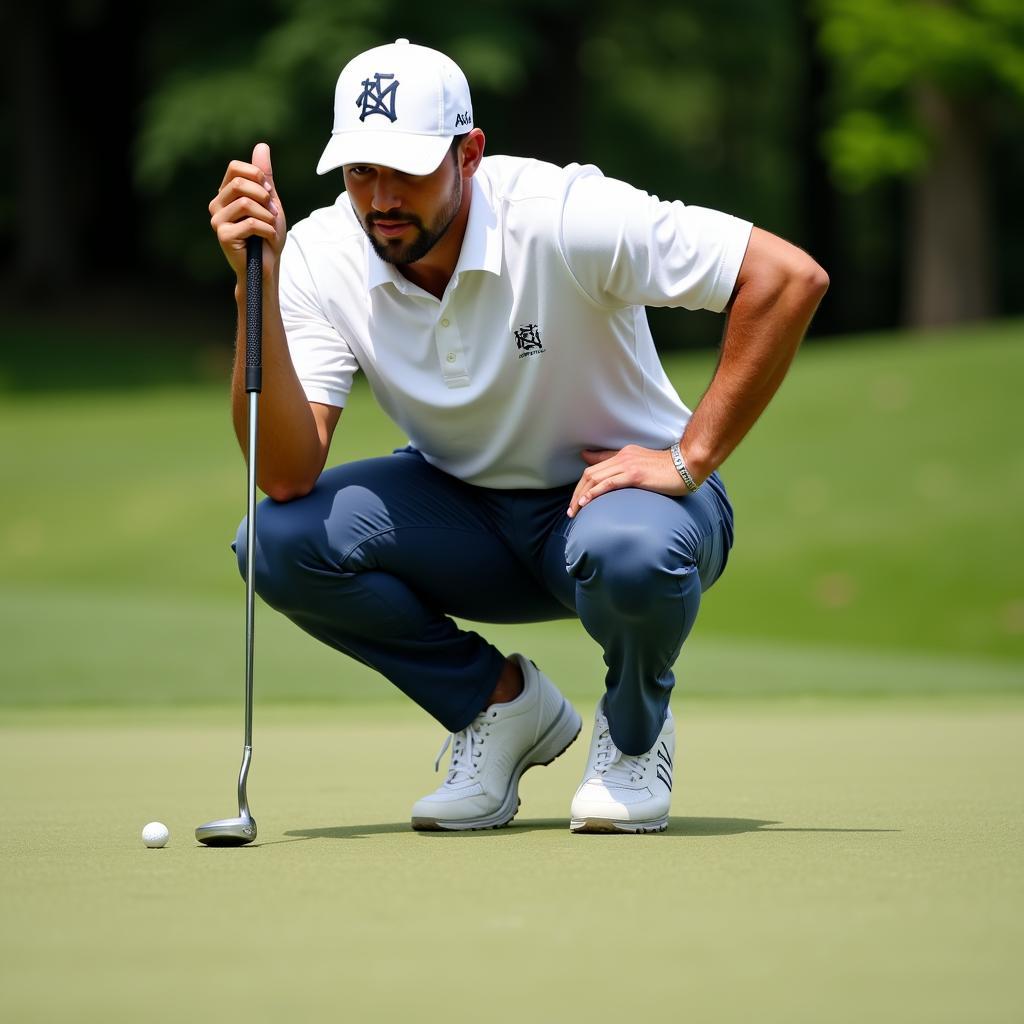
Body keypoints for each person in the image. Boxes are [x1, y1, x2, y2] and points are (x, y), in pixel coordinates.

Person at [209, 38, 828, 834]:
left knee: (631, 554)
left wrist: (690, 456)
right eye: (361, 171)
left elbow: (785, 277)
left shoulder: (562, 215)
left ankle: (634, 736)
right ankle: (498, 709)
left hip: (623, 509)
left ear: (470, 154)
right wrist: (249, 284)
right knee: (275, 540)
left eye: (407, 169)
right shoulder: (322, 254)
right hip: (462, 517)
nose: (381, 198)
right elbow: (288, 474)